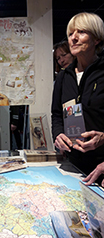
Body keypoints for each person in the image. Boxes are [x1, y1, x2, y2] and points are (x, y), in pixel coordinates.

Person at [51, 12, 104, 181]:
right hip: (72, 165)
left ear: (96, 39)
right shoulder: (63, 76)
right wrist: (58, 135)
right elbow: (57, 115)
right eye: (70, 34)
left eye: (81, 32)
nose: (73, 38)